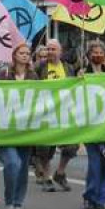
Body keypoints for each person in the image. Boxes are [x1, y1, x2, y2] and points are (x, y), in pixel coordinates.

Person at [0, 44, 39, 209]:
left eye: (28, 53)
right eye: (21, 53)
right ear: (14, 56)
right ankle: (9, 201)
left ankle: (18, 202)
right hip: (8, 129)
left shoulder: (33, 76)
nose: (25, 56)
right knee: (12, 164)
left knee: (22, 168)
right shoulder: (4, 74)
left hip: (26, 129)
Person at [34, 39, 77, 192]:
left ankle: (60, 172)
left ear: (60, 51)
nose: (51, 52)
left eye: (54, 49)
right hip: (46, 112)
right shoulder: (40, 67)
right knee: (45, 148)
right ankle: (46, 177)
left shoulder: (69, 68)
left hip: (65, 112)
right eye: (48, 49)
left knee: (72, 145)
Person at [81, 40, 105, 209]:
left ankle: (102, 198)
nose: (97, 55)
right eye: (94, 52)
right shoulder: (82, 74)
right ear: (88, 55)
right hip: (90, 125)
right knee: (95, 163)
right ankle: (90, 197)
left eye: (100, 52)